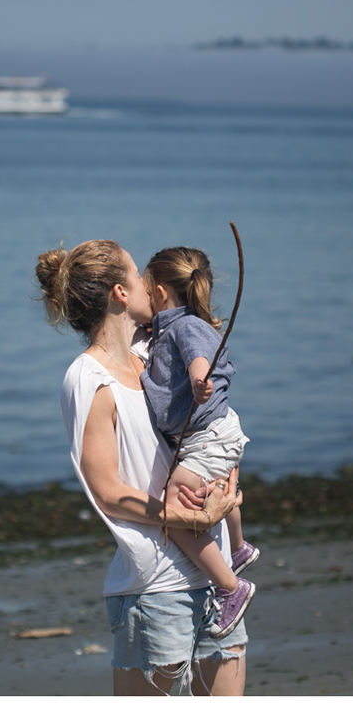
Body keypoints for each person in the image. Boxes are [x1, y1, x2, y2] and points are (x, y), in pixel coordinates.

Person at [35, 239, 248, 696]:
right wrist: (188, 517)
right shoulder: (88, 378)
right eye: (137, 275)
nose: (150, 286)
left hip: (216, 578)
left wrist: (223, 491)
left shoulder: (151, 352)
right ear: (119, 293)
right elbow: (108, 492)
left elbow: (201, 433)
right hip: (156, 590)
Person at [139, 246, 258, 640]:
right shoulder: (165, 328)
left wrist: (198, 381)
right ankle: (238, 549)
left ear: (157, 290)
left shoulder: (185, 326)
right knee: (223, 484)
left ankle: (230, 587)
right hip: (211, 433)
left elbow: (198, 358)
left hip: (207, 434)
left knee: (174, 509)